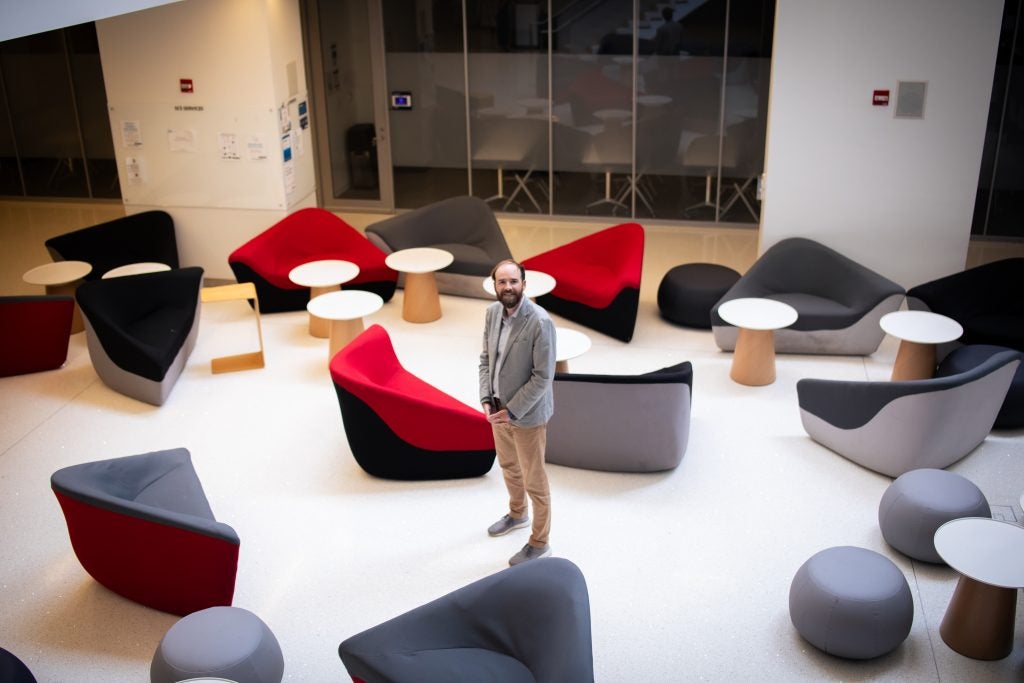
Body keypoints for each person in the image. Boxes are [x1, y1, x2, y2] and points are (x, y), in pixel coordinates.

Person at [479, 259, 557, 566]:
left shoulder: (540, 322)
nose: (508, 287)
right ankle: (517, 513)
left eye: (513, 281)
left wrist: (513, 411)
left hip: (527, 415)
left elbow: (543, 376)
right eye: (502, 282)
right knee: (509, 467)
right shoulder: (491, 313)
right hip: (497, 410)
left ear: (524, 285)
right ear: (495, 285)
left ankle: (540, 541)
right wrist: (487, 397)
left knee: (534, 480)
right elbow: (486, 358)